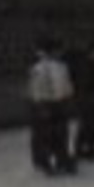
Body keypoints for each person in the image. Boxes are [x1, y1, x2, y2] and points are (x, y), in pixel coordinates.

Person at [27, 38, 75, 176]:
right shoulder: (39, 68)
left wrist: (68, 98)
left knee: (61, 133)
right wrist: (41, 106)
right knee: (46, 134)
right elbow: (36, 88)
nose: (60, 53)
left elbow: (67, 85)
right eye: (58, 50)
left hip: (60, 103)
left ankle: (62, 159)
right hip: (46, 103)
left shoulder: (62, 66)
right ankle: (44, 161)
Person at [66, 36, 94, 161]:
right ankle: (81, 150)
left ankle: (91, 148)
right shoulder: (86, 65)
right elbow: (83, 85)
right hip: (89, 101)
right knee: (87, 125)